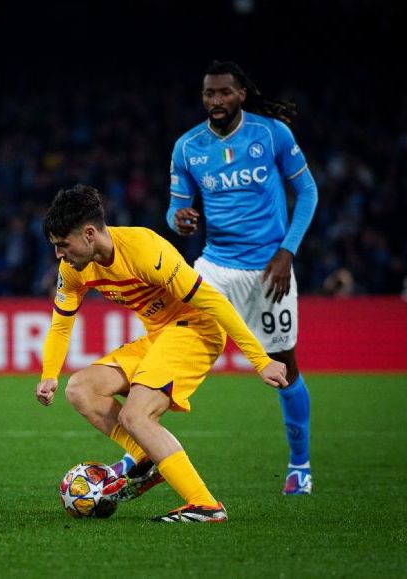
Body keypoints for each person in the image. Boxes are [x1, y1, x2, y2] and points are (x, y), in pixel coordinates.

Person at [36, 185, 287, 523]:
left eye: (62, 244)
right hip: (159, 336)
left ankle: (205, 505)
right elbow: (61, 325)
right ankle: (146, 459)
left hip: (195, 330)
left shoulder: (144, 250)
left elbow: (212, 301)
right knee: (81, 389)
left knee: (135, 415)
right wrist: (49, 374)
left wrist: (260, 360)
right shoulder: (73, 270)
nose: (58, 255)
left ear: (90, 234)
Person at [166, 61, 318, 495]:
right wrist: (180, 220)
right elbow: (174, 212)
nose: (215, 101)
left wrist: (288, 250)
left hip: (269, 268)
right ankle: (141, 450)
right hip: (215, 266)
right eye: (208, 94)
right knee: (176, 345)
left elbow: (307, 191)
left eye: (223, 93)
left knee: (284, 366)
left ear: (241, 94)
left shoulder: (272, 134)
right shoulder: (188, 147)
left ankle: (300, 465)